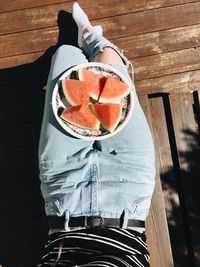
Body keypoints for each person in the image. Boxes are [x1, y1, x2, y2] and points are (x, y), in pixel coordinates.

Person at [37, 2, 156, 266]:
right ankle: (93, 36)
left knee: (66, 56)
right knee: (108, 64)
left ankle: (87, 44)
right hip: (129, 191)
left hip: (65, 191)